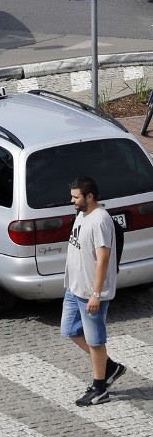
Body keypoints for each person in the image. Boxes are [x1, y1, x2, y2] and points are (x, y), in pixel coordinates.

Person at [61, 174, 125, 406]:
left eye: (75, 197)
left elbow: (103, 258)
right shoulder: (82, 214)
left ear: (89, 196)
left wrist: (96, 294)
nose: (72, 201)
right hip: (74, 288)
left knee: (95, 340)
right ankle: (110, 367)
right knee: (69, 330)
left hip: (90, 292)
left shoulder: (99, 220)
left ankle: (100, 389)